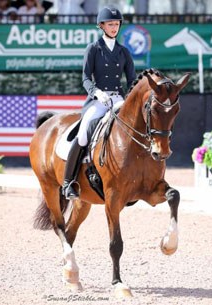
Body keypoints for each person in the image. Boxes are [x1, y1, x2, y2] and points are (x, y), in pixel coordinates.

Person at [62, 5, 136, 200]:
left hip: (119, 99)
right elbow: (85, 79)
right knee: (85, 132)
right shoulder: (93, 49)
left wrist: (131, 97)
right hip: (98, 100)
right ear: (102, 26)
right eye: (110, 24)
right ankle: (68, 182)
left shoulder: (123, 52)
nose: (114, 27)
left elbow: (132, 81)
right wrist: (97, 92)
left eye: (117, 24)